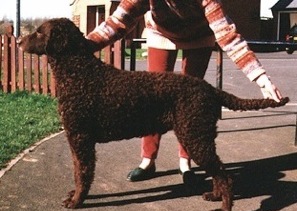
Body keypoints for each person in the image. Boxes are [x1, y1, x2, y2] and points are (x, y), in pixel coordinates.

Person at [86, 0, 283, 183]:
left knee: (191, 103)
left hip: (199, 37)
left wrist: (260, 77)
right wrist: (83, 45)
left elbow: (228, 37)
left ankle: (185, 163)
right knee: (153, 99)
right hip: (160, 33)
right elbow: (117, 21)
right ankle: (147, 160)